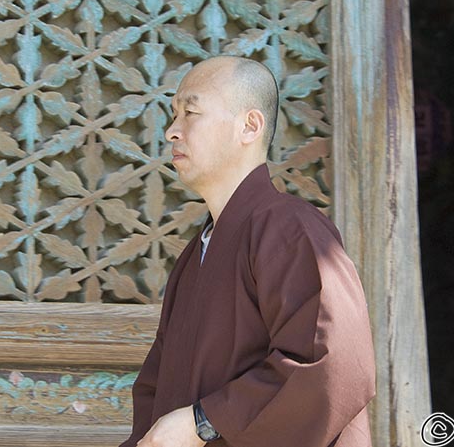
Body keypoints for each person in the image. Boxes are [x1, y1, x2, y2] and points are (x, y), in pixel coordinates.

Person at [119, 56, 376, 447]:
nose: (172, 131)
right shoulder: (196, 254)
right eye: (173, 115)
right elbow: (158, 394)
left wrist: (204, 421)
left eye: (190, 112)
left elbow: (335, 365)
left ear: (250, 126)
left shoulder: (291, 229)